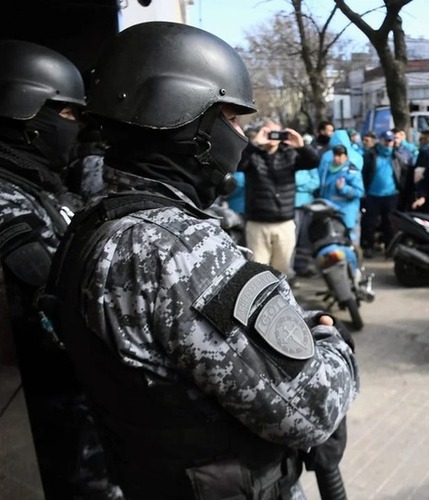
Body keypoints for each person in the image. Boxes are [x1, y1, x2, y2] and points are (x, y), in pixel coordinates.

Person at [42, 22, 358, 499]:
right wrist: (335, 346)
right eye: (233, 119)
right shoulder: (179, 249)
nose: (243, 136)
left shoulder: (91, 221)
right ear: (189, 121)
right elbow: (311, 410)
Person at [0, 40, 122, 499]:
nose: (76, 126)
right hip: (45, 423)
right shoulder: (7, 201)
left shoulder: (41, 188)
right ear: (26, 115)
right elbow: (54, 309)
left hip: (72, 416)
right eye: (68, 115)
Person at [239, 119, 320, 276]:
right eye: (269, 133)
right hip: (257, 224)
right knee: (257, 272)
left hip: (284, 223)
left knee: (282, 271)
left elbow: (313, 162)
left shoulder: (289, 154)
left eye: (276, 133)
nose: (272, 137)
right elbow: (237, 163)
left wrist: (301, 146)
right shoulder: (252, 155)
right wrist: (254, 143)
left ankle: (278, 299)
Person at [361, 130, 406, 258]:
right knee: (369, 222)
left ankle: (389, 247)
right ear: (380, 140)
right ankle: (367, 246)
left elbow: (402, 174)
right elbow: (364, 173)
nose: (388, 143)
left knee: (389, 223)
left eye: (390, 140)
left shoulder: (396, 156)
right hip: (372, 194)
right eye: (385, 140)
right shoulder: (370, 155)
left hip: (391, 195)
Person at [318, 145, 365, 244]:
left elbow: (359, 192)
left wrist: (343, 189)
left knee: (349, 241)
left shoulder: (352, 171)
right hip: (329, 211)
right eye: (335, 155)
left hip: (346, 213)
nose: (336, 158)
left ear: (346, 157)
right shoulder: (326, 168)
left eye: (340, 155)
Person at [293, 165, 320, 278]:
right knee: (292, 240)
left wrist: (298, 184)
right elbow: (293, 180)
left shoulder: (309, 164)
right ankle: (291, 270)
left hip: (307, 206)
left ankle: (303, 266)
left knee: (305, 239)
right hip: (292, 205)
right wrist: (304, 181)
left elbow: (316, 183)